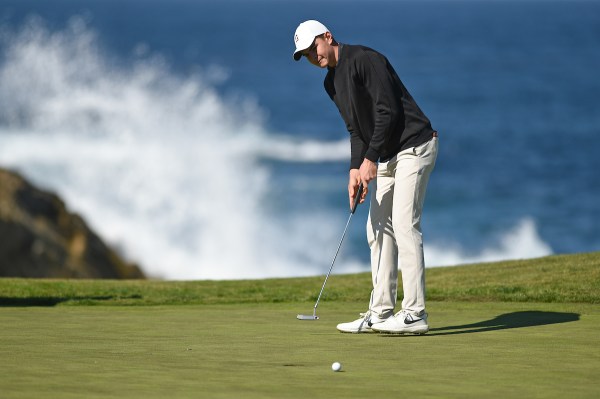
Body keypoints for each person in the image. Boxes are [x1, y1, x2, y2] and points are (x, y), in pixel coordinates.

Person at [292, 20, 438, 334]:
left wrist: (371, 158)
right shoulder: (330, 84)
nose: (311, 57)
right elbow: (356, 130)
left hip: (415, 145)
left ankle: (415, 314)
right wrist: (355, 169)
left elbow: (389, 111)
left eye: (312, 48)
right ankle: (381, 312)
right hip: (385, 153)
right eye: (304, 55)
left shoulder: (364, 60)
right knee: (377, 229)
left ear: (327, 37)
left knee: (403, 224)